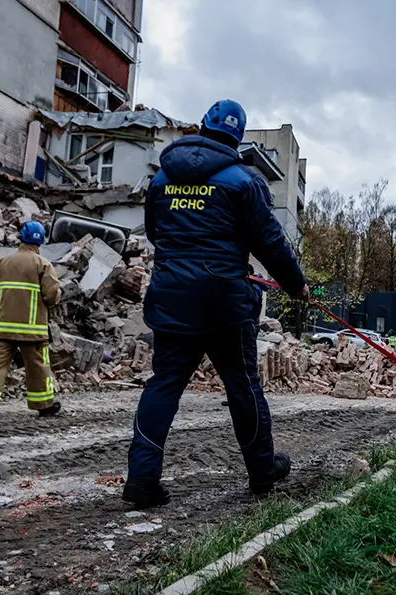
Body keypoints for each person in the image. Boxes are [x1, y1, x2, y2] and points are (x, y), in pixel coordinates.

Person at [123, 99, 310, 509]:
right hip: (225, 303)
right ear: (237, 138)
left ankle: (141, 480)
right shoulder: (243, 181)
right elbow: (270, 242)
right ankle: (261, 470)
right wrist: (295, 285)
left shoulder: (161, 180)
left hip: (172, 301)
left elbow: (155, 234)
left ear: (204, 126)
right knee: (243, 386)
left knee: (164, 385)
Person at [0, 221, 61, 422]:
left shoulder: (2, 262)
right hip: (32, 329)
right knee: (38, 365)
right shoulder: (43, 264)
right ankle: (45, 407)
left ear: (20, 237)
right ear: (41, 240)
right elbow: (52, 294)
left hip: (2, 327)